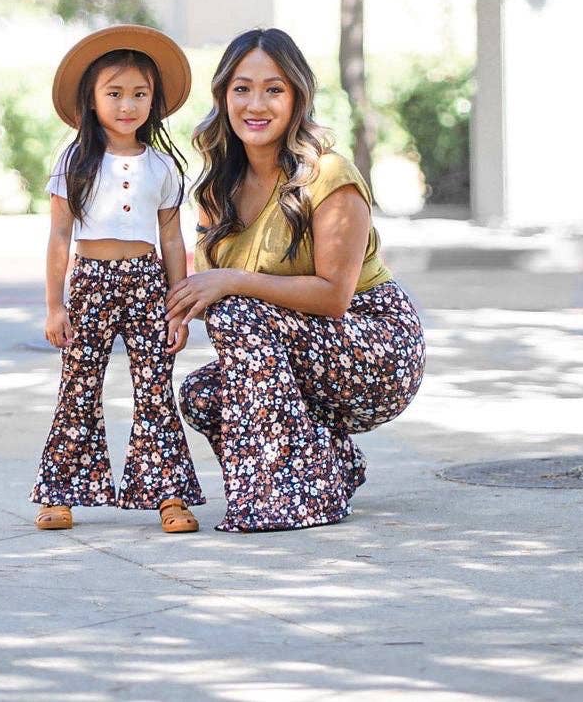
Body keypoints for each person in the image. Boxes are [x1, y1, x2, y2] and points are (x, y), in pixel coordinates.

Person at [165, 28, 425, 533]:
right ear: (223, 97)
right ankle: (325, 471)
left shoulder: (328, 175)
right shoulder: (219, 186)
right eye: (241, 89)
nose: (255, 104)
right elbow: (204, 282)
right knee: (203, 394)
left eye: (274, 89)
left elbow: (333, 297)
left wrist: (232, 281)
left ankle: (290, 498)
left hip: (373, 345)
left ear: (298, 98)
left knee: (234, 306)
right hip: (300, 345)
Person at [30, 24, 205, 534]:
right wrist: (54, 305)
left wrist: (178, 305)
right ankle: (61, 492)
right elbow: (59, 236)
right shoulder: (75, 161)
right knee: (78, 387)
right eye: (114, 93)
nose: (127, 105)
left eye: (139, 94)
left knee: (155, 386)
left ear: (154, 102)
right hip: (90, 282)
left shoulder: (163, 167)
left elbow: (172, 240)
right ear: (92, 99)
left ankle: (168, 495)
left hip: (146, 283)